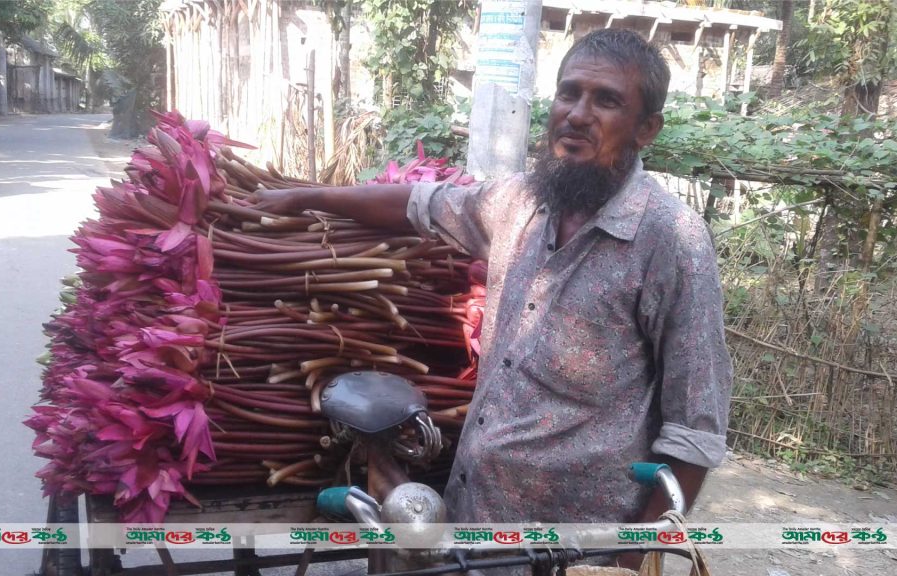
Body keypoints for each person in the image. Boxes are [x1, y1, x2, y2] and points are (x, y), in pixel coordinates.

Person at [255, 28, 732, 570]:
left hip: (578, 551)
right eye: (568, 92)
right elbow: (419, 204)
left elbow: (696, 428)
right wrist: (308, 196)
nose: (576, 114)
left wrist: (625, 559)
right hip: (475, 521)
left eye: (606, 100)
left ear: (647, 128)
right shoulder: (520, 203)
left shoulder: (670, 238)